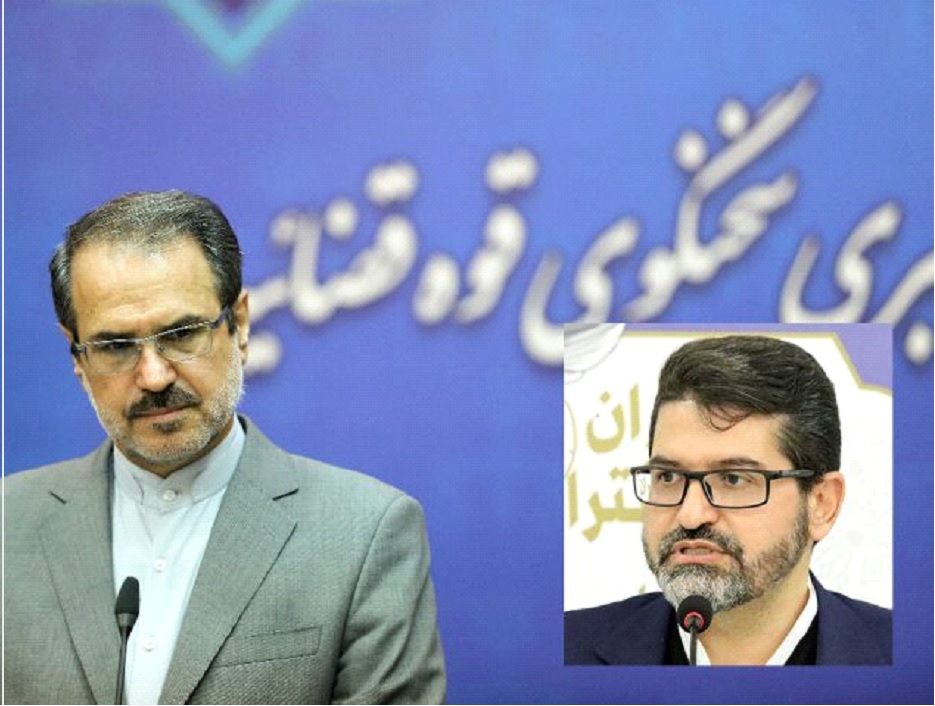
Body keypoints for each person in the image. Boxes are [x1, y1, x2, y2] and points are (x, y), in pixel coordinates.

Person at [3, 191, 446, 704]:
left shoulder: (363, 534)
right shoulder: (8, 524)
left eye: (182, 334)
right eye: (116, 346)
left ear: (240, 325)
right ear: (77, 358)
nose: (154, 376)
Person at [564, 335, 891, 666]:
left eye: (733, 479)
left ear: (821, 504)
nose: (691, 516)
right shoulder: (567, 648)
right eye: (668, 477)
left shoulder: (905, 657)